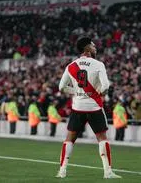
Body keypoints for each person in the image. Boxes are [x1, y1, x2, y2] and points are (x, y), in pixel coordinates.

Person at [56, 36, 121, 179]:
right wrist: (100, 92)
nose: (95, 47)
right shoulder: (98, 64)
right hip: (94, 107)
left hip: (78, 107)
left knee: (70, 139)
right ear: (87, 49)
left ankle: (62, 171)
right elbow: (106, 87)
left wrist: (78, 92)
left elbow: (61, 87)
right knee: (102, 138)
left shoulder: (71, 65)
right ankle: (107, 172)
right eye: (93, 45)